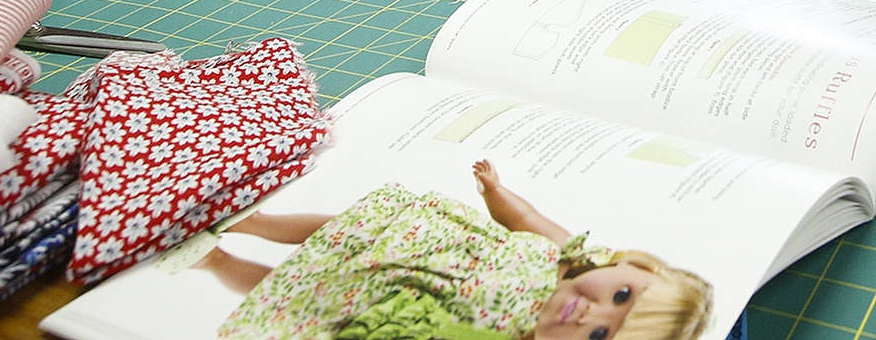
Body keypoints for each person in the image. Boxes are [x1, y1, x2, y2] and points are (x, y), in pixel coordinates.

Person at [206, 159, 713, 340]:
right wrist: (496, 192)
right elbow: (527, 220)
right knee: (333, 228)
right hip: (401, 238)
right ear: (631, 265)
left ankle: (216, 261)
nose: (591, 315)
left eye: (602, 338)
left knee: (285, 297)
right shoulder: (573, 258)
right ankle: (256, 223)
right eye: (621, 295)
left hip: (368, 302)